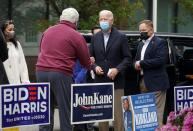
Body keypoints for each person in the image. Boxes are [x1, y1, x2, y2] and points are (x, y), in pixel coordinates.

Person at [36, 8, 91, 131]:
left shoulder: (47, 31)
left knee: (45, 109)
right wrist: (88, 63)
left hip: (41, 71)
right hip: (61, 73)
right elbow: (85, 61)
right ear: (75, 22)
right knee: (65, 109)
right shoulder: (76, 35)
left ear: (61, 19)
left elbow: (41, 50)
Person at [89, 10, 132, 131]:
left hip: (116, 81)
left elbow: (128, 58)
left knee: (118, 115)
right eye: (101, 19)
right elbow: (90, 58)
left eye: (105, 19)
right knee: (102, 114)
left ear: (112, 21)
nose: (103, 21)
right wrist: (95, 67)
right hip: (100, 81)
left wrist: (117, 69)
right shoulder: (95, 37)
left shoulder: (121, 37)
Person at [134, 20, 169, 127]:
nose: (141, 33)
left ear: (151, 29)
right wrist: (135, 64)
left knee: (156, 113)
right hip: (143, 81)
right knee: (145, 114)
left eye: (144, 30)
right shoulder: (141, 44)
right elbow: (136, 60)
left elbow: (161, 60)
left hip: (157, 82)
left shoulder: (160, 42)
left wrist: (141, 63)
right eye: (140, 31)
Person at [1, 20, 29, 84]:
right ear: (3, 31)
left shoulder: (17, 44)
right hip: (3, 83)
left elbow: (22, 63)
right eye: (10, 29)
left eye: (13, 29)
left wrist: (25, 81)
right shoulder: (1, 45)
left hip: (16, 83)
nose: (12, 31)